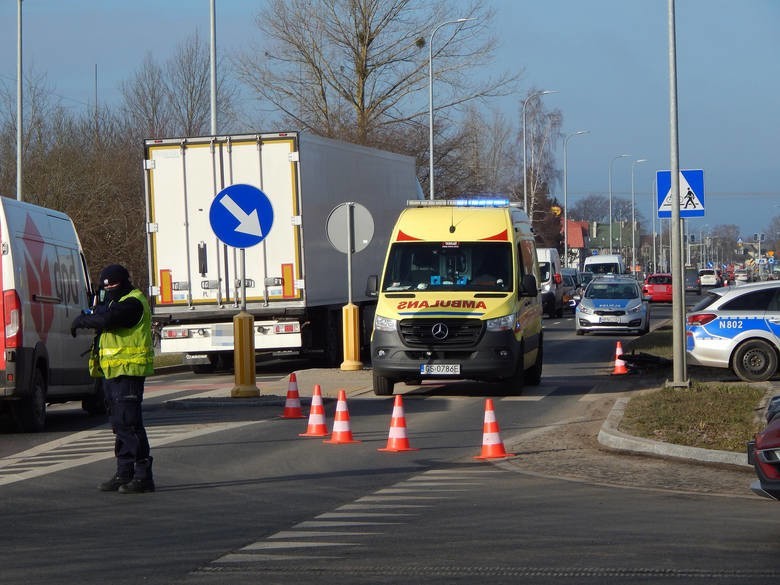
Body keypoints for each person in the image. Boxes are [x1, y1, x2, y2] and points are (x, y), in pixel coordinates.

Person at [71, 264, 156, 494]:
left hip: (129, 372)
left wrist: (83, 320)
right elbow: (103, 315)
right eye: (105, 288)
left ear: (123, 283)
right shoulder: (114, 302)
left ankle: (142, 476)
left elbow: (107, 319)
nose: (109, 291)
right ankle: (124, 472)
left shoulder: (133, 302)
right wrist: (91, 315)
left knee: (129, 423)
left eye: (112, 286)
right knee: (119, 425)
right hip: (113, 373)